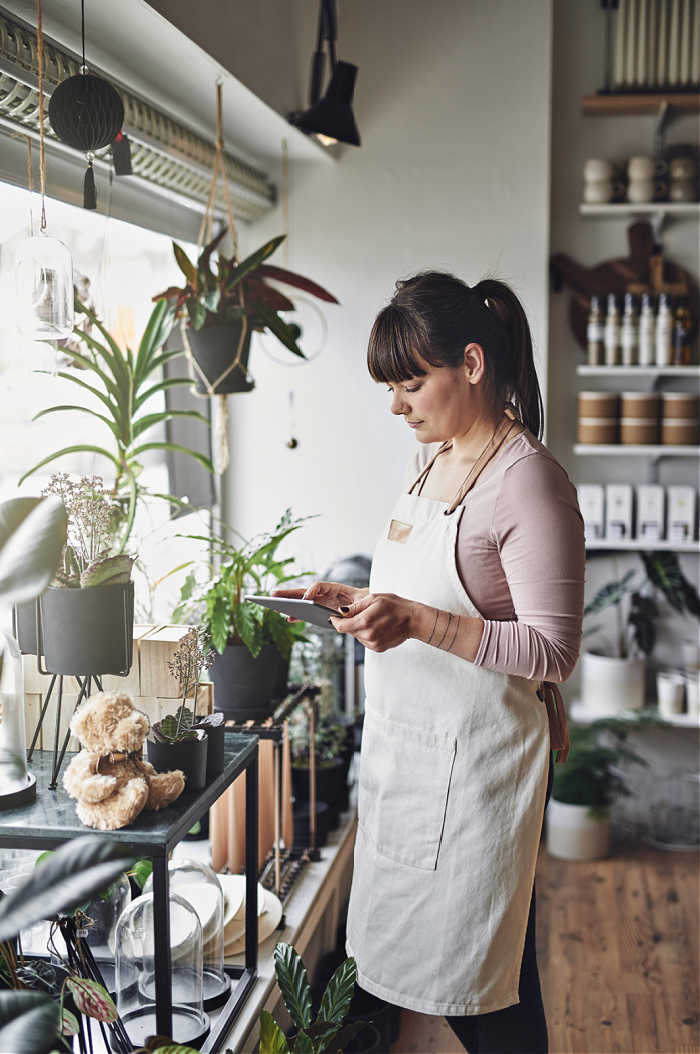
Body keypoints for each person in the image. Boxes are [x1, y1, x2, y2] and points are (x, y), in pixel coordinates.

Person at [275, 271, 585, 1054]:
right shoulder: (433, 461)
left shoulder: (529, 485)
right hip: (409, 763)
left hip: (478, 779)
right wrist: (363, 600)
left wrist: (416, 619)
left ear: (472, 365)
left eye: (411, 384)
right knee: (460, 974)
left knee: (488, 992)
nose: (397, 406)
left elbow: (552, 650)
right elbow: (424, 597)